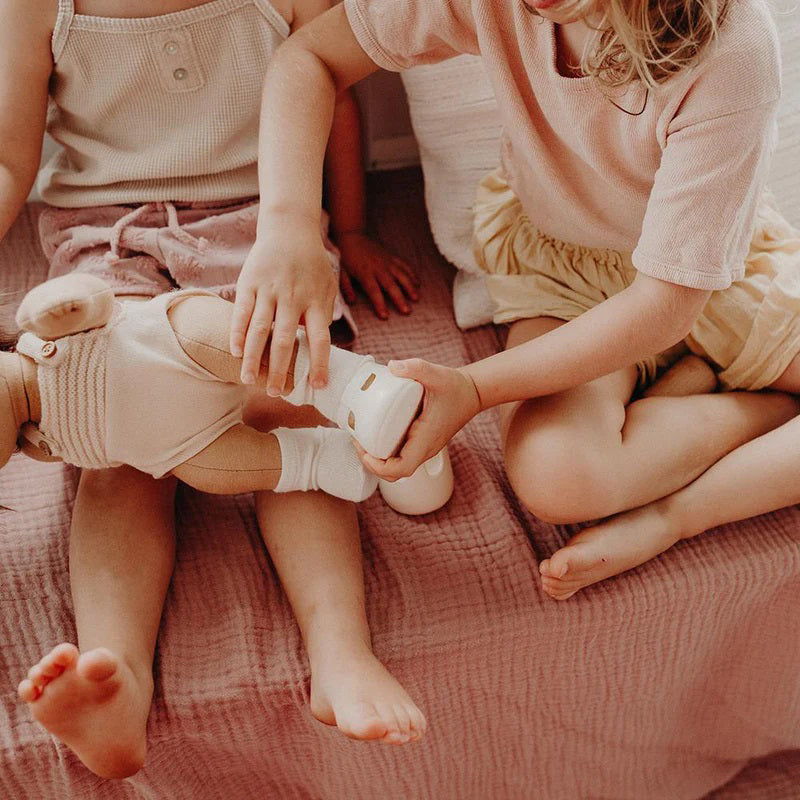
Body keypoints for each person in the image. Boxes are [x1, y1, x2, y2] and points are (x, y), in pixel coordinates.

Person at [238, 0, 800, 600]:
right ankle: (752, 406)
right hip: (564, 275)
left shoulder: (733, 46)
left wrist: (473, 389)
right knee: (558, 477)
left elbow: (666, 303)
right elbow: (310, 58)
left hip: (703, 274)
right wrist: (288, 224)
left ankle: (679, 509)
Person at [5, 0, 423, 779]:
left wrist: (353, 231)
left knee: (291, 407)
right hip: (108, 240)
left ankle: (340, 652)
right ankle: (114, 676)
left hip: (262, 225)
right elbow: (9, 160)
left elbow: (331, 95)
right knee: (111, 444)